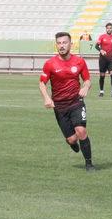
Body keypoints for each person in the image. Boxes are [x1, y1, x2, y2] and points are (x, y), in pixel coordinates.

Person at [39, 31, 95, 172]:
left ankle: (89, 164)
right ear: (56, 45)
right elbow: (42, 83)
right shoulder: (50, 64)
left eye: (64, 42)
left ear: (71, 44)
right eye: (59, 43)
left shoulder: (79, 62)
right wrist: (46, 97)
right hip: (60, 106)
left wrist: (85, 87)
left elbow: (87, 79)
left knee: (81, 130)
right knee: (71, 139)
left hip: (76, 102)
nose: (62, 46)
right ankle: (72, 142)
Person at [95, 22, 112, 98]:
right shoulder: (102, 37)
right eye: (107, 28)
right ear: (106, 29)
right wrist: (101, 50)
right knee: (102, 75)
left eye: (110, 28)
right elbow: (96, 46)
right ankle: (101, 91)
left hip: (110, 59)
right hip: (102, 59)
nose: (109, 29)